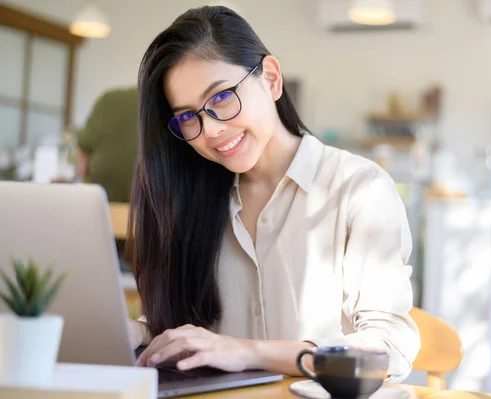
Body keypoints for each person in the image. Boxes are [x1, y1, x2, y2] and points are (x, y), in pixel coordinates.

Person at [127, 6, 420, 381]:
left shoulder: (359, 190)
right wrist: (141, 331)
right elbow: (184, 324)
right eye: (188, 117)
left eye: (220, 99)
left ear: (270, 79)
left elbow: (386, 350)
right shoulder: (189, 199)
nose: (211, 130)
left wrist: (247, 352)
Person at [76, 87, 139, 203]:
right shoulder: (162, 99)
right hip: (148, 207)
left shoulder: (108, 99)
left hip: (99, 202)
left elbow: (82, 157)